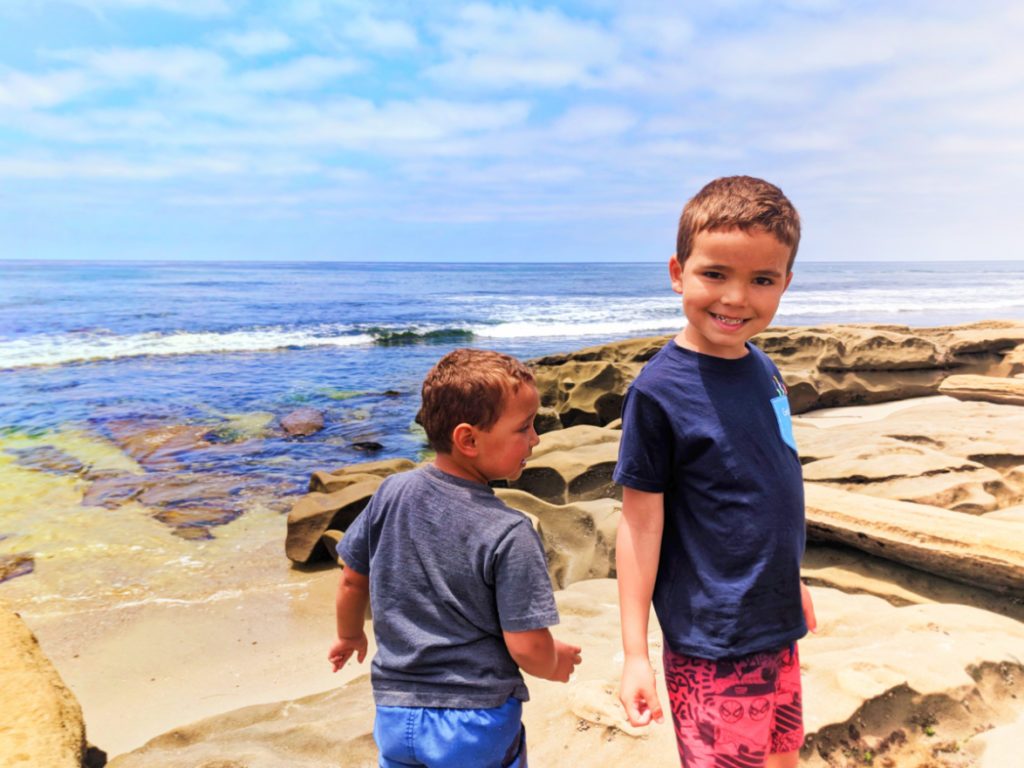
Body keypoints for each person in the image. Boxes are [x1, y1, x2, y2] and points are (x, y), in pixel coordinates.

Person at [614, 176, 818, 768]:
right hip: (713, 638)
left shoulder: (763, 367)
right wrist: (635, 654)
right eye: (715, 275)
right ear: (678, 272)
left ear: (785, 282)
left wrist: (790, 579)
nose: (735, 298)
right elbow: (639, 526)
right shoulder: (658, 393)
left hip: (773, 621)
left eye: (762, 280)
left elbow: (766, 486)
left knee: (783, 752)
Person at [328, 348, 582, 768]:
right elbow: (526, 646)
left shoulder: (391, 492)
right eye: (524, 427)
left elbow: (353, 579)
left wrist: (350, 635)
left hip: (394, 713)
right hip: (473, 720)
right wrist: (554, 663)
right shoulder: (509, 531)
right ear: (468, 439)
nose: (536, 438)